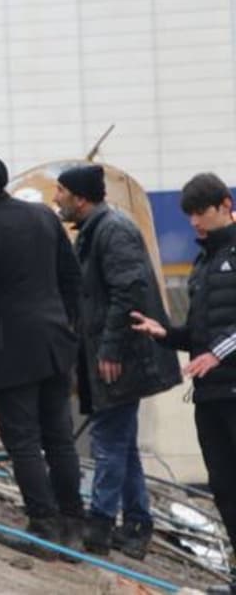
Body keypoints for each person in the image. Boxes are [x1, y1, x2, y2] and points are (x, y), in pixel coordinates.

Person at [0, 151, 84, 559]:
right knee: (59, 436)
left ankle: (43, 527)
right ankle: (73, 527)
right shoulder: (43, 217)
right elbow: (71, 277)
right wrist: (66, 323)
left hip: (9, 349)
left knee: (23, 440)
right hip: (54, 342)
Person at [54, 164, 181, 558]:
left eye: (61, 192)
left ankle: (101, 525)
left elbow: (128, 292)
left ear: (80, 198)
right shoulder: (94, 232)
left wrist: (111, 350)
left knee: (108, 441)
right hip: (108, 354)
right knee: (120, 443)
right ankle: (138, 523)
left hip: (122, 358)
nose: (56, 198)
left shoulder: (113, 231)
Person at [131, 172, 236, 594]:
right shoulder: (204, 263)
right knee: (224, 487)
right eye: (189, 214)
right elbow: (200, 333)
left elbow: (221, 341)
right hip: (210, 393)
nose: (195, 222)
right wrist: (167, 334)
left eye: (201, 212)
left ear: (225, 205)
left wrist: (219, 353)